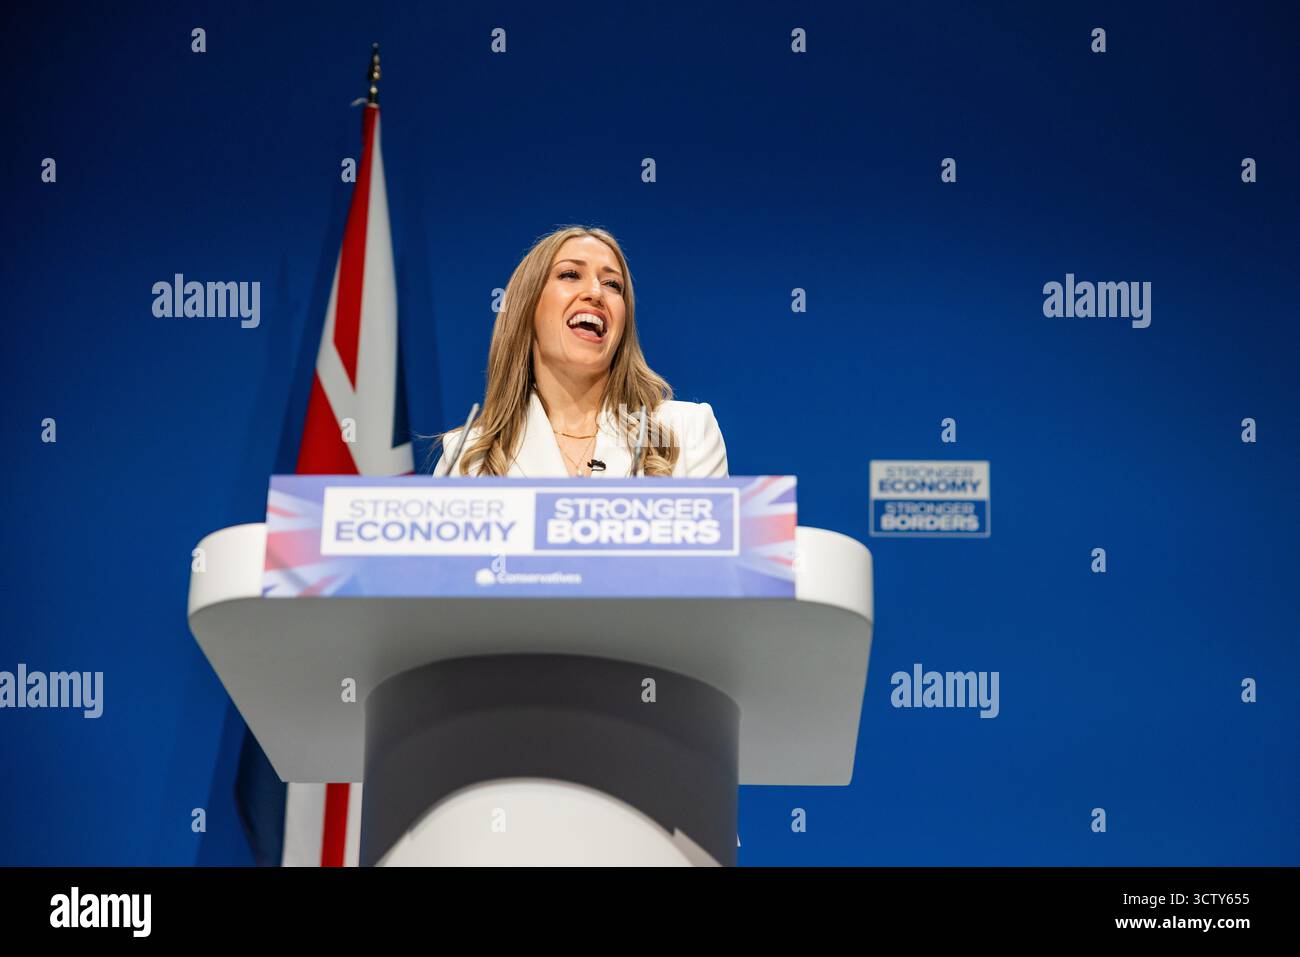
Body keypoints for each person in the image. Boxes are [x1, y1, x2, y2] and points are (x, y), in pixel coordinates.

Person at [433, 225, 728, 478]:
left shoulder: (687, 431)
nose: (596, 293)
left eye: (613, 284)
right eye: (571, 275)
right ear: (527, 307)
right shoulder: (467, 457)